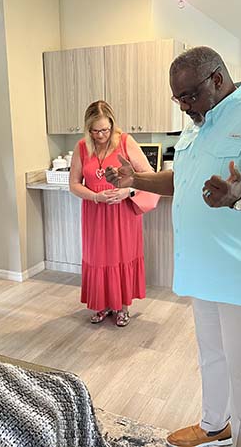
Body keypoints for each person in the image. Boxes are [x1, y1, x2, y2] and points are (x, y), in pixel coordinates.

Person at [105, 46, 241, 447]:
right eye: (177, 98)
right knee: (212, 355)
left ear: (217, 79)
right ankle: (216, 426)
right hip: (206, 270)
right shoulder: (198, 123)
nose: (184, 106)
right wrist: (136, 179)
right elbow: (182, 177)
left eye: (189, 96)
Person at [69, 100, 156, 327]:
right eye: (95, 131)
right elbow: (74, 184)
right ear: (88, 129)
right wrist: (95, 196)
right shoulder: (82, 147)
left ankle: (122, 308)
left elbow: (149, 175)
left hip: (123, 213)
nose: (100, 135)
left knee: (121, 257)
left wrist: (128, 191)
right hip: (94, 213)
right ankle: (102, 305)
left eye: (105, 130)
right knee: (98, 259)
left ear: (112, 124)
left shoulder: (126, 142)